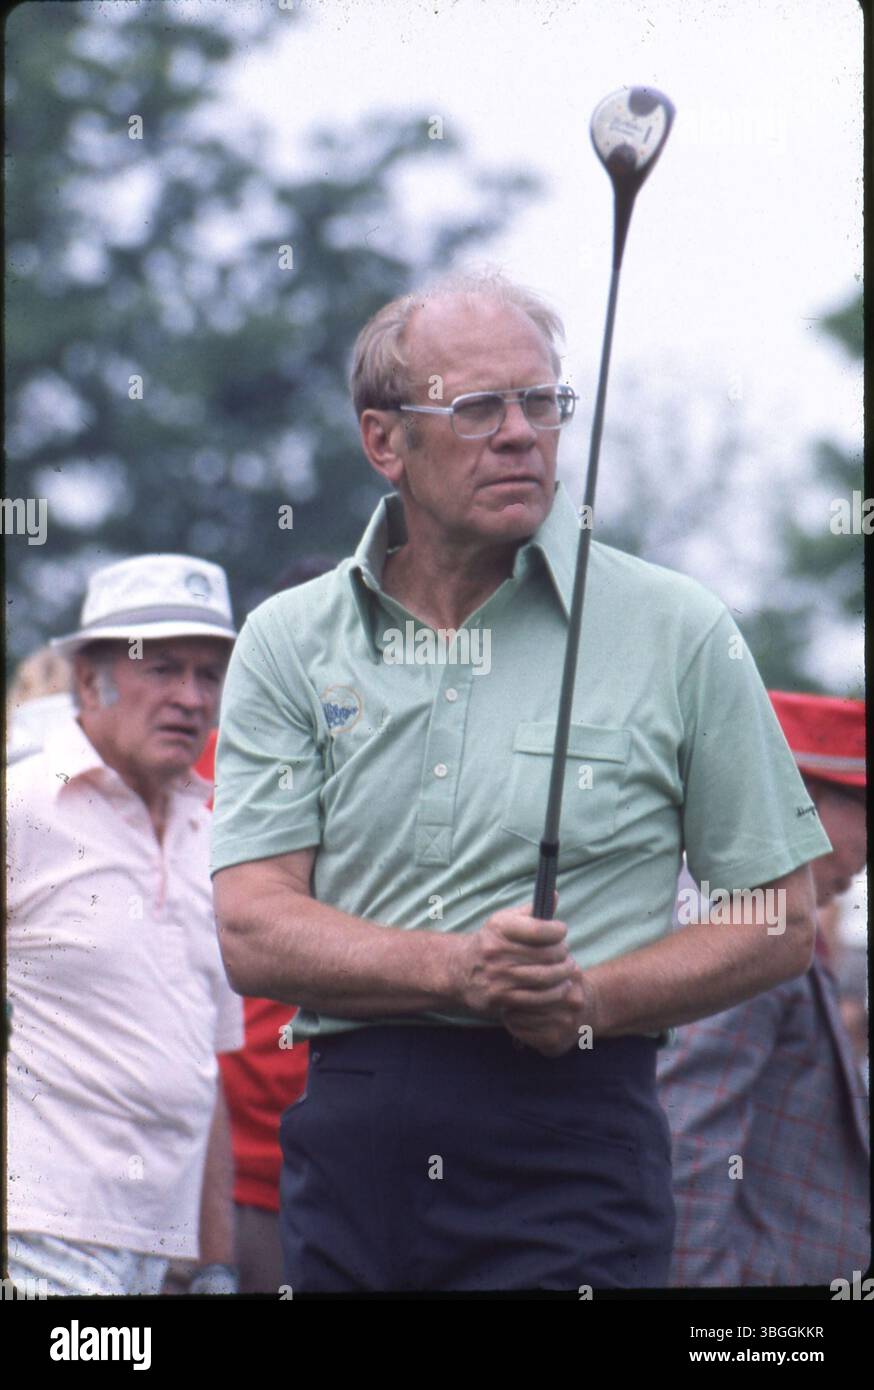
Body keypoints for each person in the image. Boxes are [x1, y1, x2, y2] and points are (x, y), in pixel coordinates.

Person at [210, 269, 830, 1293]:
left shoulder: (676, 627)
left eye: (540, 402)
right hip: (352, 1146)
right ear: (383, 441)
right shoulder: (287, 640)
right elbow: (252, 927)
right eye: (475, 407)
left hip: (575, 1141)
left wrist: (591, 994)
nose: (519, 434)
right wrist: (458, 972)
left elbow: (777, 913)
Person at [6, 553, 244, 1297]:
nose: (190, 698)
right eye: (163, 668)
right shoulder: (23, 804)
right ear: (89, 680)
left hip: (162, 1256)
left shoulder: (214, 836)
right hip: (41, 1233)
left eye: (209, 675)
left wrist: (215, 1264)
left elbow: (205, 1076)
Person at [658, 691, 869, 1288]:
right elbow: (684, 1144)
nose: (863, 857)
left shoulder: (768, 927)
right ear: (797, 801)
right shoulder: (748, 937)